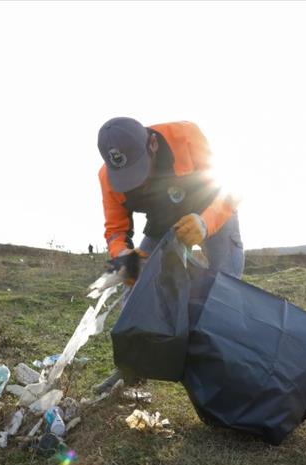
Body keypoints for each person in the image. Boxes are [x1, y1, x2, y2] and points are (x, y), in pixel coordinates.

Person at [93, 117, 244, 393]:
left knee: (227, 286)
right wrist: (126, 258)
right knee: (136, 292)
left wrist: (205, 223)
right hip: (163, 222)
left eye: (139, 169)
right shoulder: (108, 178)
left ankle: (224, 370)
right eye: (127, 175)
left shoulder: (185, 136)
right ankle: (132, 370)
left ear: (152, 144)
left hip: (211, 210)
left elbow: (232, 189)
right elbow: (115, 231)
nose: (136, 181)